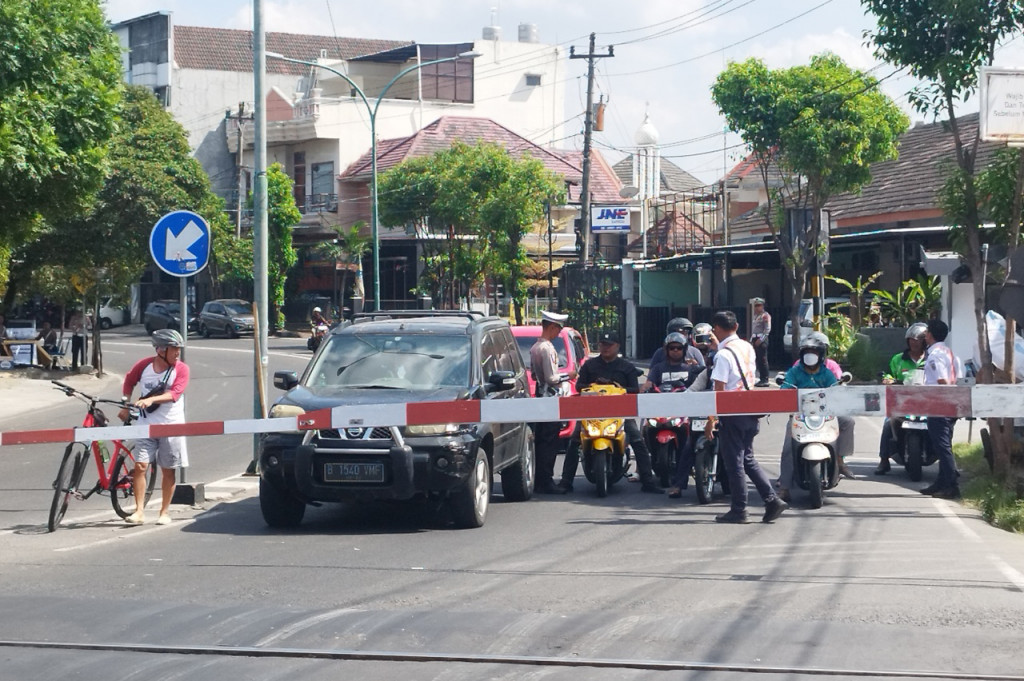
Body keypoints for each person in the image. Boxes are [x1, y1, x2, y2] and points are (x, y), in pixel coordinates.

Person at [705, 311, 787, 523]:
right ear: (737, 326)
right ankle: (771, 500)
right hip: (750, 410)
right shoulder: (746, 346)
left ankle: (739, 509)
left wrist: (711, 419)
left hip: (733, 413)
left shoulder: (723, 355)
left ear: (717, 329)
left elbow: (719, 390)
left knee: (735, 464)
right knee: (748, 459)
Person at [558, 332, 664, 494]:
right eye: (603, 344)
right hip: (591, 412)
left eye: (609, 345)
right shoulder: (590, 365)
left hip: (619, 412)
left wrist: (615, 386)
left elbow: (634, 390)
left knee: (637, 439)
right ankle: (566, 482)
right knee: (575, 440)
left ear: (617, 346)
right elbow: (579, 386)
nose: (606, 348)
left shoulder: (626, 367)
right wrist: (594, 385)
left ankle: (648, 481)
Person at [117, 329, 191, 525]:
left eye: (178, 349)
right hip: (146, 425)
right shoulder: (144, 366)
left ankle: (164, 512)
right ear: (161, 350)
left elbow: (174, 394)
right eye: (174, 349)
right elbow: (129, 381)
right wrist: (125, 404)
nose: (178, 353)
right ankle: (139, 511)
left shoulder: (181, 369)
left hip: (171, 426)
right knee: (140, 466)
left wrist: (151, 400)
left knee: (168, 470)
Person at [776, 333, 839, 502]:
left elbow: (836, 391)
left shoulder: (826, 374)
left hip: (824, 417)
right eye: (806, 352)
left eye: (814, 352)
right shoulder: (795, 372)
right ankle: (785, 487)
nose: (810, 355)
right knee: (788, 448)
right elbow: (785, 389)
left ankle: (839, 462)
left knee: (845, 425)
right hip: (799, 417)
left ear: (821, 355)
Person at [530, 310, 577, 494]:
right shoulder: (547, 348)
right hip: (550, 398)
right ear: (551, 327)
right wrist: (569, 375)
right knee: (549, 443)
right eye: (558, 328)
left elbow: (535, 375)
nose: (559, 332)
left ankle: (541, 479)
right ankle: (546, 481)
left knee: (542, 441)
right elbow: (551, 377)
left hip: (541, 397)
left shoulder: (535, 347)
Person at [875, 322, 927, 475]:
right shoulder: (898, 359)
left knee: (942, 425)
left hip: (927, 403)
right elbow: (890, 374)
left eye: (917, 340)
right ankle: (884, 460)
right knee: (887, 423)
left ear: (924, 341)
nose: (914, 343)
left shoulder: (931, 359)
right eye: (911, 339)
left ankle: (948, 462)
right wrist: (888, 379)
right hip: (902, 403)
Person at [920, 319, 962, 499]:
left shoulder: (935, 355)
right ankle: (941, 482)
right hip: (952, 403)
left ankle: (951, 485)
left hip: (939, 403)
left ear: (930, 334)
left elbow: (942, 380)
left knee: (942, 447)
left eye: (926, 332)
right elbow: (958, 378)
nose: (924, 335)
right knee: (943, 445)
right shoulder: (950, 353)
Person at [750, 298, 771, 386]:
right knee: (758, 360)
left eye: (759, 305)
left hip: (761, 339)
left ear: (762, 306)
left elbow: (767, 329)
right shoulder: (755, 316)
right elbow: (753, 329)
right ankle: (761, 378)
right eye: (755, 306)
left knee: (763, 359)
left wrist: (761, 339)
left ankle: (765, 379)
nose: (757, 308)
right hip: (755, 338)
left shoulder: (765, 315)